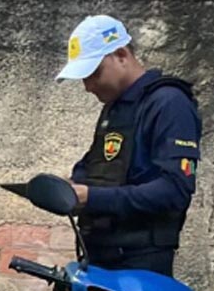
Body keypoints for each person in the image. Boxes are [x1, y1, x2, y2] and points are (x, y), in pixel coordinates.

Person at [57, 14, 202, 277]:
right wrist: (68, 188)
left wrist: (90, 196)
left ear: (121, 55)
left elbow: (175, 190)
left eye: (93, 74)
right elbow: (97, 165)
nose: (88, 86)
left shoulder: (169, 104)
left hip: (140, 263)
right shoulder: (116, 109)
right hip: (99, 255)